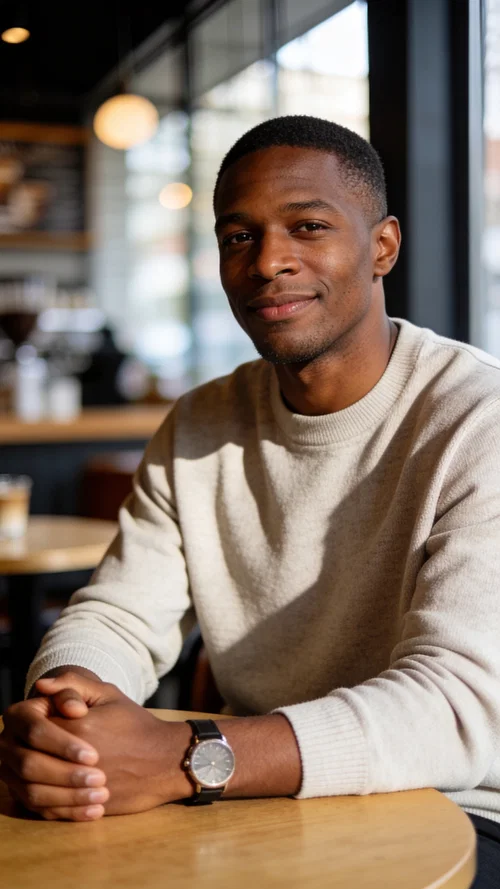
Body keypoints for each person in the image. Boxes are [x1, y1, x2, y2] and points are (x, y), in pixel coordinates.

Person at [1, 115, 499, 885]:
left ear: (383, 247)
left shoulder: (477, 416)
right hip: (247, 801)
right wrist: (69, 713)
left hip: (457, 809)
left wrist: (183, 755)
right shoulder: (202, 421)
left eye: (308, 226)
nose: (269, 261)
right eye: (239, 236)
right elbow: (118, 616)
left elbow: (456, 706)